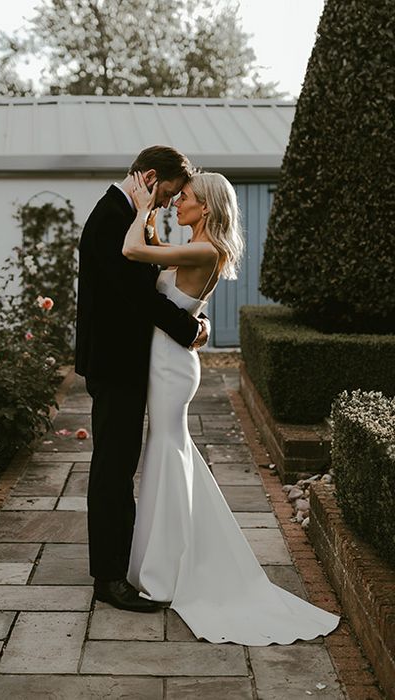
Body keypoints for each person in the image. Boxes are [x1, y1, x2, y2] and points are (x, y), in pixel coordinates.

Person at [122, 170, 340, 644]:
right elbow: (167, 285)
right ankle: (166, 559)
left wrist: (142, 209)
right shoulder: (198, 248)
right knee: (168, 451)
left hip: (171, 367)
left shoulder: (205, 250)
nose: (178, 202)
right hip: (170, 359)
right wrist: (156, 220)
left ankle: (167, 569)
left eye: (186, 198)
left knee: (167, 450)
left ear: (207, 207)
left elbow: (134, 252)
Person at [75, 145, 208, 613]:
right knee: (113, 469)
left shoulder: (128, 212)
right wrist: (190, 330)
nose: (172, 202)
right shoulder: (111, 217)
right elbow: (137, 297)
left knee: (120, 464)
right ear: (152, 176)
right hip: (115, 365)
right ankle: (109, 578)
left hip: (126, 362)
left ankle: (121, 562)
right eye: (170, 191)